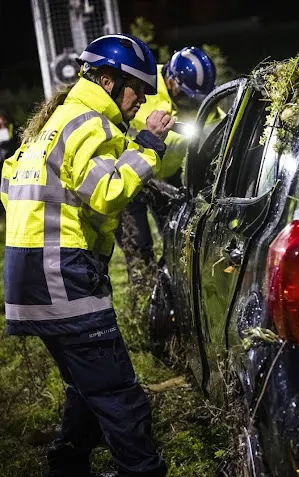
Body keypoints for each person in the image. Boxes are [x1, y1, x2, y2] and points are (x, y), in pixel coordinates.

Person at [1, 33, 175, 477]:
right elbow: (107, 192)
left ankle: (68, 465)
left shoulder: (52, 123)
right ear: (108, 80)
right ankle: (143, 471)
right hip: (63, 275)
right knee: (118, 393)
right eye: (137, 88)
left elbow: (9, 186)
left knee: (85, 386)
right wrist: (149, 146)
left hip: (27, 277)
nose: (141, 100)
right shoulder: (89, 125)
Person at [115, 46, 223, 277]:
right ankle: (144, 296)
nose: (192, 106)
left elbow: (218, 123)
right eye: (187, 97)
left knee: (176, 236)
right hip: (130, 177)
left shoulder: (195, 99)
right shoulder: (142, 86)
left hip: (167, 174)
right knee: (138, 246)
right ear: (171, 81)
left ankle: (172, 288)